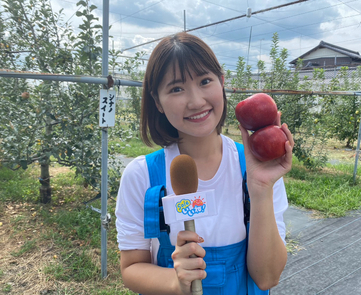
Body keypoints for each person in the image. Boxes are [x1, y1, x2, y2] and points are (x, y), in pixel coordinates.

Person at [115, 32, 294, 295]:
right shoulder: (142, 176)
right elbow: (131, 268)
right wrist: (176, 283)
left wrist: (261, 188)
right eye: (176, 89)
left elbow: (267, 278)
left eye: (205, 81)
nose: (196, 101)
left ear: (221, 82)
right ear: (158, 102)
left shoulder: (254, 169)